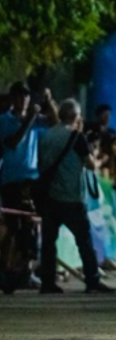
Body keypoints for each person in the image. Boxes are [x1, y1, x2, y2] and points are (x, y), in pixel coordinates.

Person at [37, 99, 115, 294]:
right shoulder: (75, 137)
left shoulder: (46, 136)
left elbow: (41, 164)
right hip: (71, 197)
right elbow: (90, 165)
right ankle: (92, 280)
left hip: (50, 197)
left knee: (49, 242)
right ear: (76, 117)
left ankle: (47, 281)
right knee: (84, 242)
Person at [0, 82, 58, 293]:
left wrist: (48, 100)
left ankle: (27, 271)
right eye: (18, 96)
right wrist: (31, 118)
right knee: (14, 227)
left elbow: (54, 121)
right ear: (12, 99)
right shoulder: (4, 121)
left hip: (31, 179)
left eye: (26, 96)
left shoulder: (35, 119)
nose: (23, 100)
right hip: (12, 180)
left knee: (32, 227)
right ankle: (6, 269)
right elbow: (13, 142)